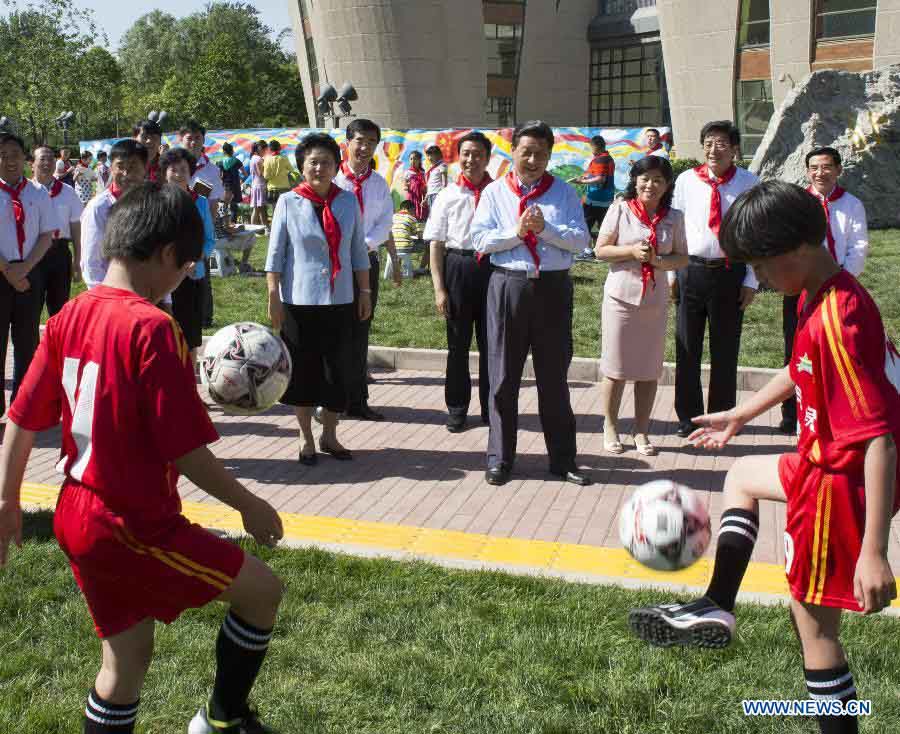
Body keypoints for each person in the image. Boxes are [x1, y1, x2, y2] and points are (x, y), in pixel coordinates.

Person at [0, 181, 284, 734]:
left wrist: (8, 501)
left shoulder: (66, 317)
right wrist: (249, 505)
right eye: (187, 267)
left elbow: (20, 421)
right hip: (130, 521)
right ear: (166, 255)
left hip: (75, 511)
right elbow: (187, 452)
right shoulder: (154, 328)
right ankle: (224, 719)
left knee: (126, 661)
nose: (183, 280)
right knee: (262, 591)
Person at [629, 181, 900, 734]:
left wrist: (874, 552)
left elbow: (879, 438)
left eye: (762, 266)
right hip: (825, 464)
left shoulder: (838, 321)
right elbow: (798, 370)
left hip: (840, 485)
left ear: (796, 250)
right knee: (743, 476)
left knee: (816, 633)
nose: (761, 279)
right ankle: (717, 602)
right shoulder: (824, 292)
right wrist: (742, 414)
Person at [471, 120, 591, 487]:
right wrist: (517, 233)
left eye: (541, 153)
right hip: (509, 286)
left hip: (552, 290)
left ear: (549, 155)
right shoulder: (495, 193)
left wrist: (546, 231)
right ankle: (500, 458)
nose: (533, 159)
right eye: (527, 152)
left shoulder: (564, 193)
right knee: (503, 377)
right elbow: (480, 240)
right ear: (513, 153)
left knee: (553, 378)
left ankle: (563, 459)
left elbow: (581, 240)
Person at [265, 133, 371, 464]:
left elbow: (357, 251)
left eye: (326, 161)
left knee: (338, 371)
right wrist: (273, 295)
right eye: (313, 161)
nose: (320, 167)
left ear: (336, 166)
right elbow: (276, 253)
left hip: (340, 299)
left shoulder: (348, 200)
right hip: (299, 301)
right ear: (302, 166)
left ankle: (330, 435)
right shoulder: (288, 201)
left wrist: (364, 291)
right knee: (303, 371)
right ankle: (305, 436)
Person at [594, 156, 688, 456]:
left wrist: (658, 261)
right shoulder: (620, 209)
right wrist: (631, 251)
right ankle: (610, 426)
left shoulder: (674, 217)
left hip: (654, 300)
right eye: (645, 178)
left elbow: (683, 257)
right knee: (616, 367)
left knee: (648, 369)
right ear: (635, 181)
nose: (651, 184)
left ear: (667, 185)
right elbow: (601, 250)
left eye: (658, 180)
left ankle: (642, 430)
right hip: (621, 298)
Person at [671, 120, 758, 438]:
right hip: (691, 270)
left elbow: (754, 233)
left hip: (729, 272)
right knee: (686, 347)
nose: (713, 149)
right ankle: (688, 417)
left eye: (721, 143)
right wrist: (672, 275)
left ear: (734, 149)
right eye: (708, 142)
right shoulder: (685, 181)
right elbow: (675, 228)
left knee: (725, 350)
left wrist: (751, 279)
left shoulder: (749, 182)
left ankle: (721, 416)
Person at [779, 146, 869, 434]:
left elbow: (859, 247)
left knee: (835, 347)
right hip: (801, 287)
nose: (820, 173)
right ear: (807, 171)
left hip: (837, 288)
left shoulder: (852, 204)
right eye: (814, 167)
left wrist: (838, 280)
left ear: (838, 170)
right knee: (795, 348)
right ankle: (792, 413)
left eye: (827, 167)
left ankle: (833, 408)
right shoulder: (797, 203)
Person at [426, 130, 494, 433]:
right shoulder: (447, 195)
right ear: (458, 157)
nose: (471, 159)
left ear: (487, 158)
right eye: (466, 153)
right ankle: (456, 408)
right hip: (459, 268)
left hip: (493, 270)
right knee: (457, 345)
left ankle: (493, 409)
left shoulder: (499, 193)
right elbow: (436, 244)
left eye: (478, 154)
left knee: (493, 346)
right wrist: (440, 288)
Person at [334, 118, 400, 421]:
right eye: (359, 141)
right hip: (334, 264)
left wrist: (361, 246)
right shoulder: (332, 179)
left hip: (366, 264)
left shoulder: (378, 184)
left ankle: (358, 401)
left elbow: (385, 223)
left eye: (371, 143)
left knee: (360, 328)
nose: (364, 148)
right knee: (333, 329)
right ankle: (332, 399)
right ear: (347, 142)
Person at [0, 132, 56, 416]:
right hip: (2, 272)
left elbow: (47, 235)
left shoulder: (38, 193)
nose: (9, 160)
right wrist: (8, 270)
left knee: (26, 342)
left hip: (30, 272)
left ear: (25, 157)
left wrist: (25, 268)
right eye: (3, 155)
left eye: (14, 154)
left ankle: (21, 407)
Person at [160, 148, 216, 361]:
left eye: (184, 169)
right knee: (164, 331)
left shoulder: (200, 202)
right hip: (162, 276)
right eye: (173, 169)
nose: (178, 174)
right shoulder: (157, 201)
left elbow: (210, 240)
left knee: (190, 334)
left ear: (191, 172)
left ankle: (189, 380)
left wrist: (196, 258)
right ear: (165, 172)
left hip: (193, 274)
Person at [81, 140, 149, 290]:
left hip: (148, 292)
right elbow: (91, 263)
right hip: (113, 294)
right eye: (120, 166)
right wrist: (106, 300)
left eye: (132, 167)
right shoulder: (98, 208)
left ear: (145, 168)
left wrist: (165, 300)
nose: (126, 173)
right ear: (111, 168)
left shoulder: (152, 204)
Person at [31, 145, 83, 316]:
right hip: (32, 255)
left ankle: (58, 343)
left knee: (59, 309)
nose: (47, 163)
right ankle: (32, 344)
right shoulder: (25, 192)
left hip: (59, 253)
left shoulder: (68, 193)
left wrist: (77, 259)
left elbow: (76, 227)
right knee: (30, 308)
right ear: (32, 164)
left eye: (50, 159)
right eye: (42, 159)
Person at [178, 121, 221, 328]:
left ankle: (205, 318)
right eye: (189, 137)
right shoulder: (172, 165)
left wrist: (207, 231)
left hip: (201, 232)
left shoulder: (211, 169)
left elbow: (213, 202)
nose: (193, 141)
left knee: (202, 275)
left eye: (198, 138)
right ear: (181, 139)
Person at [573, 135, 615, 237]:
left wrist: (581, 182)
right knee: (604, 227)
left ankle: (587, 251)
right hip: (606, 199)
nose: (591, 150)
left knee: (585, 226)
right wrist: (584, 176)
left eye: (591, 147)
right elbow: (594, 173)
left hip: (595, 199)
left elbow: (600, 178)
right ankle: (603, 249)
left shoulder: (600, 160)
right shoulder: (608, 158)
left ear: (595, 146)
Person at [388, 199, 419, 279]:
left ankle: (392, 271)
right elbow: (418, 234)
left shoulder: (393, 216)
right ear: (411, 209)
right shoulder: (412, 218)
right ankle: (411, 272)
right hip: (405, 248)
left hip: (391, 248)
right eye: (414, 210)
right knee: (420, 246)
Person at [217, 142, 246, 222]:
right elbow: (244, 173)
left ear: (224, 152)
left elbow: (219, 176)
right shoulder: (237, 161)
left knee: (224, 206)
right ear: (232, 151)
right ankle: (233, 224)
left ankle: (223, 224)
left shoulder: (220, 163)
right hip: (235, 185)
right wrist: (241, 179)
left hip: (226, 186)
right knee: (234, 207)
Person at [263, 140, 292, 207]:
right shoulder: (284, 158)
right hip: (285, 188)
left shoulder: (267, 159)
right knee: (285, 209)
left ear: (269, 149)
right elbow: (291, 170)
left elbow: (266, 176)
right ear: (280, 148)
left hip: (272, 189)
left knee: (275, 211)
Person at [249, 141, 269, 230]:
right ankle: (264, 228)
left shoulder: (253, 158)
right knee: (259, 209)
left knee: (258, 209)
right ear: (261, 149)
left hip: (255, 185)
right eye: (265, 150)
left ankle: (263, 228)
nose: (265, 152)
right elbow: (261, 173)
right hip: (260, 185)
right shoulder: (259, 159)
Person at [403, 150, 428, 221]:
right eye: (411, 159)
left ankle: (419, 227)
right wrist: (406, 187)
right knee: (411, 214)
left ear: (419, 160)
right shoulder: (408, 172)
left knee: (421, 214)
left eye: (415, 158)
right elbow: (405, 185)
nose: (412, 160)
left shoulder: (422, 172)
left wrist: (425, 195)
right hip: (412, 196)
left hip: (420, 197)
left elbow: (425, 185)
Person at [424, 144, 448, 212]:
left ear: (438, 155)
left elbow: (444, 182)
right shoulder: (432, 169)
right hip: (430, 194)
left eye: (431, 155)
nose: (429, 158)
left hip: (437, 194)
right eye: (428, 155)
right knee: (432, 214)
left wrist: (442, 194)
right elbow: (430, 184)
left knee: (437, 213)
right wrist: (426, 198)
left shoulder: (442, 165)